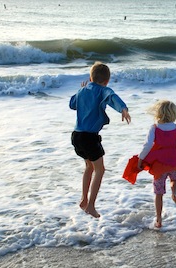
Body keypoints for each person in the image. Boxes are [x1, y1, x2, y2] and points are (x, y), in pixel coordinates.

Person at [69, 62, 131, 218]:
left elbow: (72, 104)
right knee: (100, 170)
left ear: (91, 77)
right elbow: (111, 96)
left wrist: (80, 90)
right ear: (106, 81)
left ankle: (84, 199)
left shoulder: (83, 90)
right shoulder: (103, 90)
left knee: (89, 167)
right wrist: (123, 109)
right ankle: (90, 205)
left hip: (76, 136)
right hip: (89, 137)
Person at [137, 100, 176, 228]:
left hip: (159, 166)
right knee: (174, 180)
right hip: (175, 163)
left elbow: (147, 145)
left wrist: (140, 159)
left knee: (158, 193)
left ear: (158, 113)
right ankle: (175, 195)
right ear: (173, 114)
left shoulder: (154, 128)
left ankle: (159, 220)